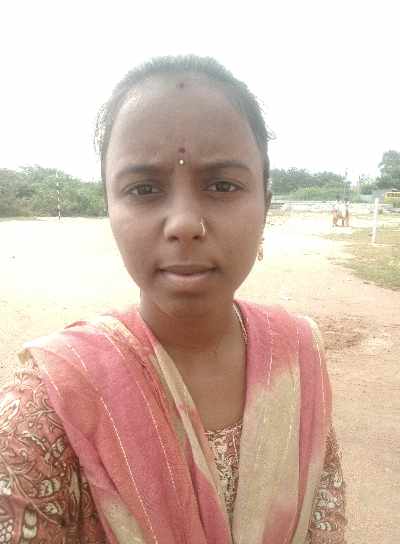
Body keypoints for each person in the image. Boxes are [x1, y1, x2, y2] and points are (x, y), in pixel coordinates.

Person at [0, 56, 346, 543]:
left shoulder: (299, 357)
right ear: (109, 206)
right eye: (144, 189)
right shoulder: (48, 406)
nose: (184, 223)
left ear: (265, 203)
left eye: (222, 185)